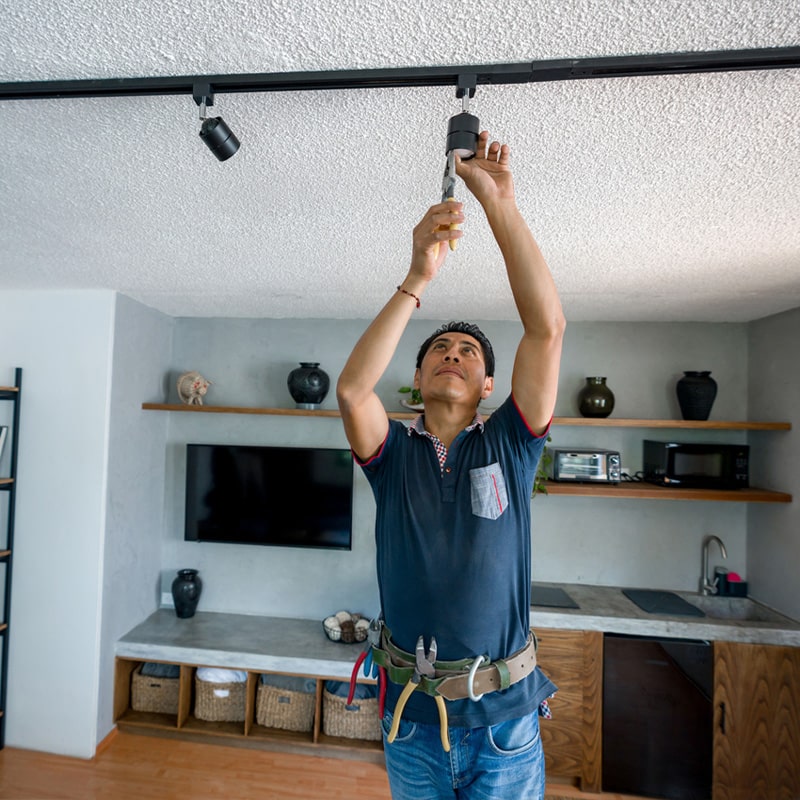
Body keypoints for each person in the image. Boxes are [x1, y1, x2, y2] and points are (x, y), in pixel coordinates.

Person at [336, 130, 566, 800]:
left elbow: (546, 328)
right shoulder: (390, 455)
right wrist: (418, 277)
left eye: (469, 351)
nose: (455, 354)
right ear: (416, 374)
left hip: (504, 721)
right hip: (411, 719)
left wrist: (501, 208)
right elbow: (353, 391)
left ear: (489, 384)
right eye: (440, 347)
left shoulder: (512, 444)